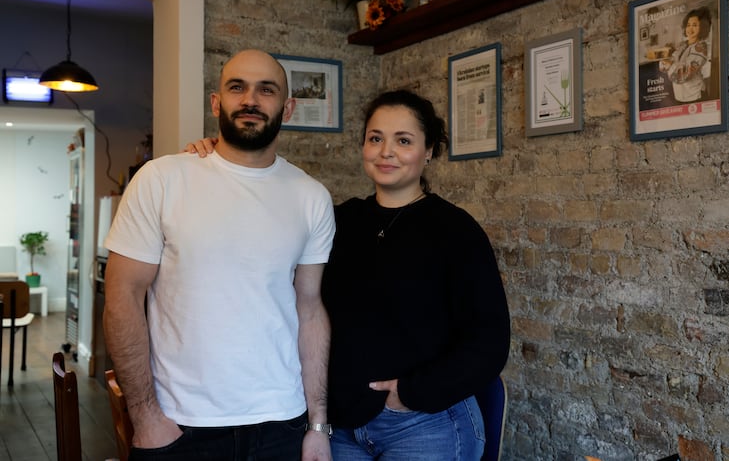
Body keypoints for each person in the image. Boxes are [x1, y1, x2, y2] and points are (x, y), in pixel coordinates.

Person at [187, 89, 510, 460]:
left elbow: (490, 341)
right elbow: (272, 263)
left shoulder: (455, 230)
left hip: (424, 423)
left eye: (403, 141)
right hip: (340, 426)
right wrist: (218, 162)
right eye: (376, 138)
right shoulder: (337, 219)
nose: (386, 151)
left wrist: (409, 394)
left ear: (429, 151)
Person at [103, 49, 336, 461]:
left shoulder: (312, 197)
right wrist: (146, 416)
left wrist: (317, 423)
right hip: (180, 423)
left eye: (266, 90)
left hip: (281, 422)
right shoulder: (161, 179)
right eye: (237, 87)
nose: (250, 99)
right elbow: (122, 297)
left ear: (289, 106)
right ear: (216, 102)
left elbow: (310, 307)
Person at [659, 6, 713, 103]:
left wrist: (670, 65)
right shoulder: (682, 45)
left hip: (695, 96)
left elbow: (684, 75)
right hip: (680, 96)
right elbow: (668, 64)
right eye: (688, 25)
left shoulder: (701, 47)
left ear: (702, 27)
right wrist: (665, 59)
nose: (690, 28)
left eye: (695, 25)